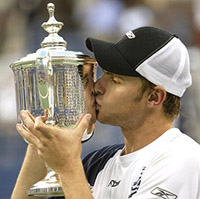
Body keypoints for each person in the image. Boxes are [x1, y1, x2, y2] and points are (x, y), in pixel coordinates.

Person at [11, 26, 200, 199]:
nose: (97, 86)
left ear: (154, 97)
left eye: (114, 79)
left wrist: (68, 168)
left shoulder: (183, 159)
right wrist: (40, 140)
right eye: (102, 74)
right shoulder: (99, 162)